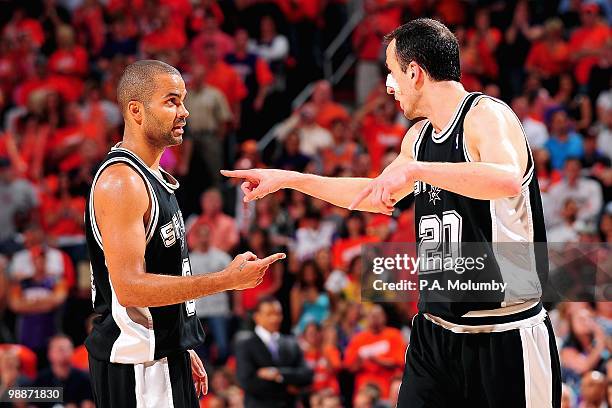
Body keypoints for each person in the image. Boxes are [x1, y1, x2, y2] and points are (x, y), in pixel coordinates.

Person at [223, 19, 561, 407]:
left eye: (392, 71)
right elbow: (371, 196)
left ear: (415, 72)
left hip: (502, 331)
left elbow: (506, 180)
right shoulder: (417, 138)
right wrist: (291, 179)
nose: (387, 84)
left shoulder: (486, 115)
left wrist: (417, 170)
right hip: (435, 333)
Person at [84, 60, 285, 408]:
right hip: (138, 367)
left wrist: (179, 341)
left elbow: (165, 272)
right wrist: (226, 280)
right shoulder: (122, 182)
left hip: (161, 353)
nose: (185, 112)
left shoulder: (153, 176)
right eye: (172, 101)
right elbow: (130, 288)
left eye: (183, 100)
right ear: (137, 110)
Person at [235, 297, 313, 408]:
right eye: (269, 314)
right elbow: (247, 381)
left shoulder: (291, 343)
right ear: (257, 317)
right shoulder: (245, 343)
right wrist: (287, 386)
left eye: (278, 314)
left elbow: (307, 375)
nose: (275, 319)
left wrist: (278, 374)